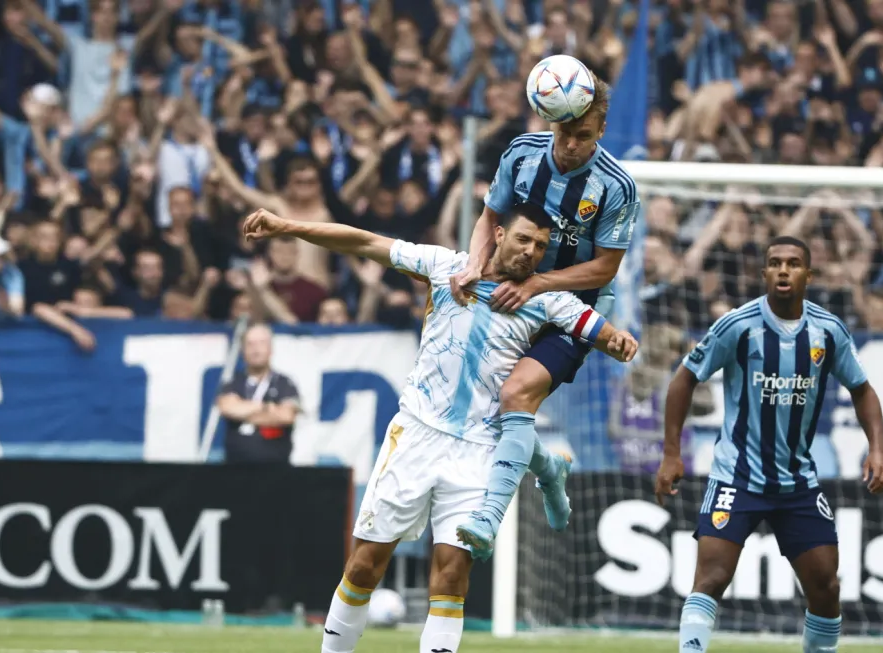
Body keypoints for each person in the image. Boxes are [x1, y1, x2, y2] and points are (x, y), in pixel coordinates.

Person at [239, 203, 637, 653]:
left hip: (479, 449)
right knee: (365, 565)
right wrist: (286, 225)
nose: (531, 251)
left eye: (541, 246)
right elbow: (364, 241)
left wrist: (620, 341)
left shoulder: (547, 300)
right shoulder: (446, 267)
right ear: (499, 234)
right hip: (416, 435)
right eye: (523, 239)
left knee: (451, 575)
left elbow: (603, 333)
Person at [655, 236, 883, 653]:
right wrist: (672, 453)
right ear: (764, 273)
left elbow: (862, 389)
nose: (784, 270)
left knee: (826, 586)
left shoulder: (827, 331)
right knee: (711, 578)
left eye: (794, 263)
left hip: (796, 482)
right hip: (736, 477)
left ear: (808, 275)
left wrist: (877, 449)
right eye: (775, 263)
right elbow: (684, 378)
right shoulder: (737, 325)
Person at [450, 70, 642, 560]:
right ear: (550, 120)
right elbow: (490, 218)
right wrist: (473, 263)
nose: (571, 145)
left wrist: (538, 283)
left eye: (584, 135)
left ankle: (488, 518)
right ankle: (550, 469)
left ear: (601, 130)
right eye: (564, 132)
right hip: (512, 293)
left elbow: (606, 267)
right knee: (497, 409)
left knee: (517, 394)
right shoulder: (522, 154)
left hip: (572, 308)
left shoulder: (616, 186)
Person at [215, 323, 301, 464]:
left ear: (270, 348)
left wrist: (244, 412)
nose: (256, 350)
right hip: (235, 468)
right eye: (250, 344)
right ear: (243, 350)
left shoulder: (285, 383)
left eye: (261, 343)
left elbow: (286, 416)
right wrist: (266, 408)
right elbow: (228, 408)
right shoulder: (233, 382)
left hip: (276, 468)